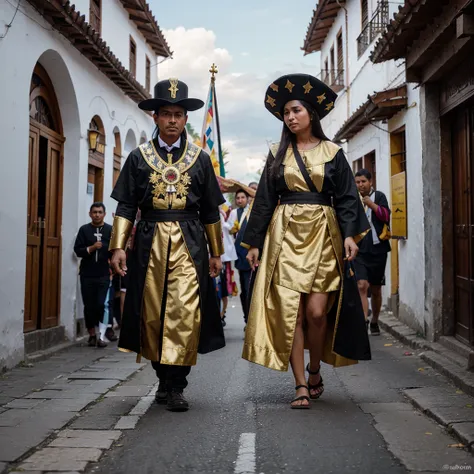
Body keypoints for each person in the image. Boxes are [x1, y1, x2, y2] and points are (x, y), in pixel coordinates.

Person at [242, 74, 370, 409]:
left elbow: (345, 197)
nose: (291, 117)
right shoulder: (277, 153)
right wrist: (254, 242)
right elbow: (265, 200)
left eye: (296, 110)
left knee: (316, 312)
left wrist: (350, 235)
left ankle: (315, 370)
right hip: (283, 235)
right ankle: (300, 384)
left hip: (322, 235)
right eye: (286, 113)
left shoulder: (332, 152)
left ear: (310, 113)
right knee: (292, 314)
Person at [109, 79, 225, 412]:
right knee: (152, 313)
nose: (172, 120)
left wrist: (216, 252)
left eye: (178, 114)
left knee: (185, 313)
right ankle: (162, 377)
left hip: (191, 241)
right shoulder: (138, 157)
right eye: (166, 114)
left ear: (185, 119)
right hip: (148, 241)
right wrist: (118, 247)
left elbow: (210, 210)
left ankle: (177, 384)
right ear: (155, 118)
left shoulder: (201, 159)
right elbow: (127, 205)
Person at [74, 203, 117, 347]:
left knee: (102, 304)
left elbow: (115, 250)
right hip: (87, 274)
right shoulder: (84, 230)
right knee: (89, 305)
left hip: (104, 274)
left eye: (99, 212)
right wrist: (91, 248)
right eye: (94, 212)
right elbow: (78, 250)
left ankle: (102, 335)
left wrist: (113, 267)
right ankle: (92, 334)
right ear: (90, 214)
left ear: (104, 214)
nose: (97, 215)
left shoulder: (110, 230)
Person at [354, 169, 391, 336]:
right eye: (358, 182)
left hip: (378, 250)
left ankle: (375, 321)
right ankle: (363, 321)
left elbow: (386, 216)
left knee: (375, 289)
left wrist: (371, 205)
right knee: (362, 285)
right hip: (360, 250)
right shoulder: (353, 199)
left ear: (370, 181)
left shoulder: (380, 196)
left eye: (363, 181)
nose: (361, 185)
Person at [226, 189, 252, 325]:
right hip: (240, 255)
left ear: (248, 199)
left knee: (252, 289)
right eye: (238, 198)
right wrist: (233, 228)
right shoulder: (234, 213)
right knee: (245, 288)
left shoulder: (252, 211)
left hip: (254, 253)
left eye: (243, 197)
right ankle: (247, 319)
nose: (240, 200)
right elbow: (229, 229)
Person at [219, 202, 238, 326]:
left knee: (223, 287)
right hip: (209, 254)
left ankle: (222, 314)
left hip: (223, 255)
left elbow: (230, 228)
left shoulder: (225, 210)